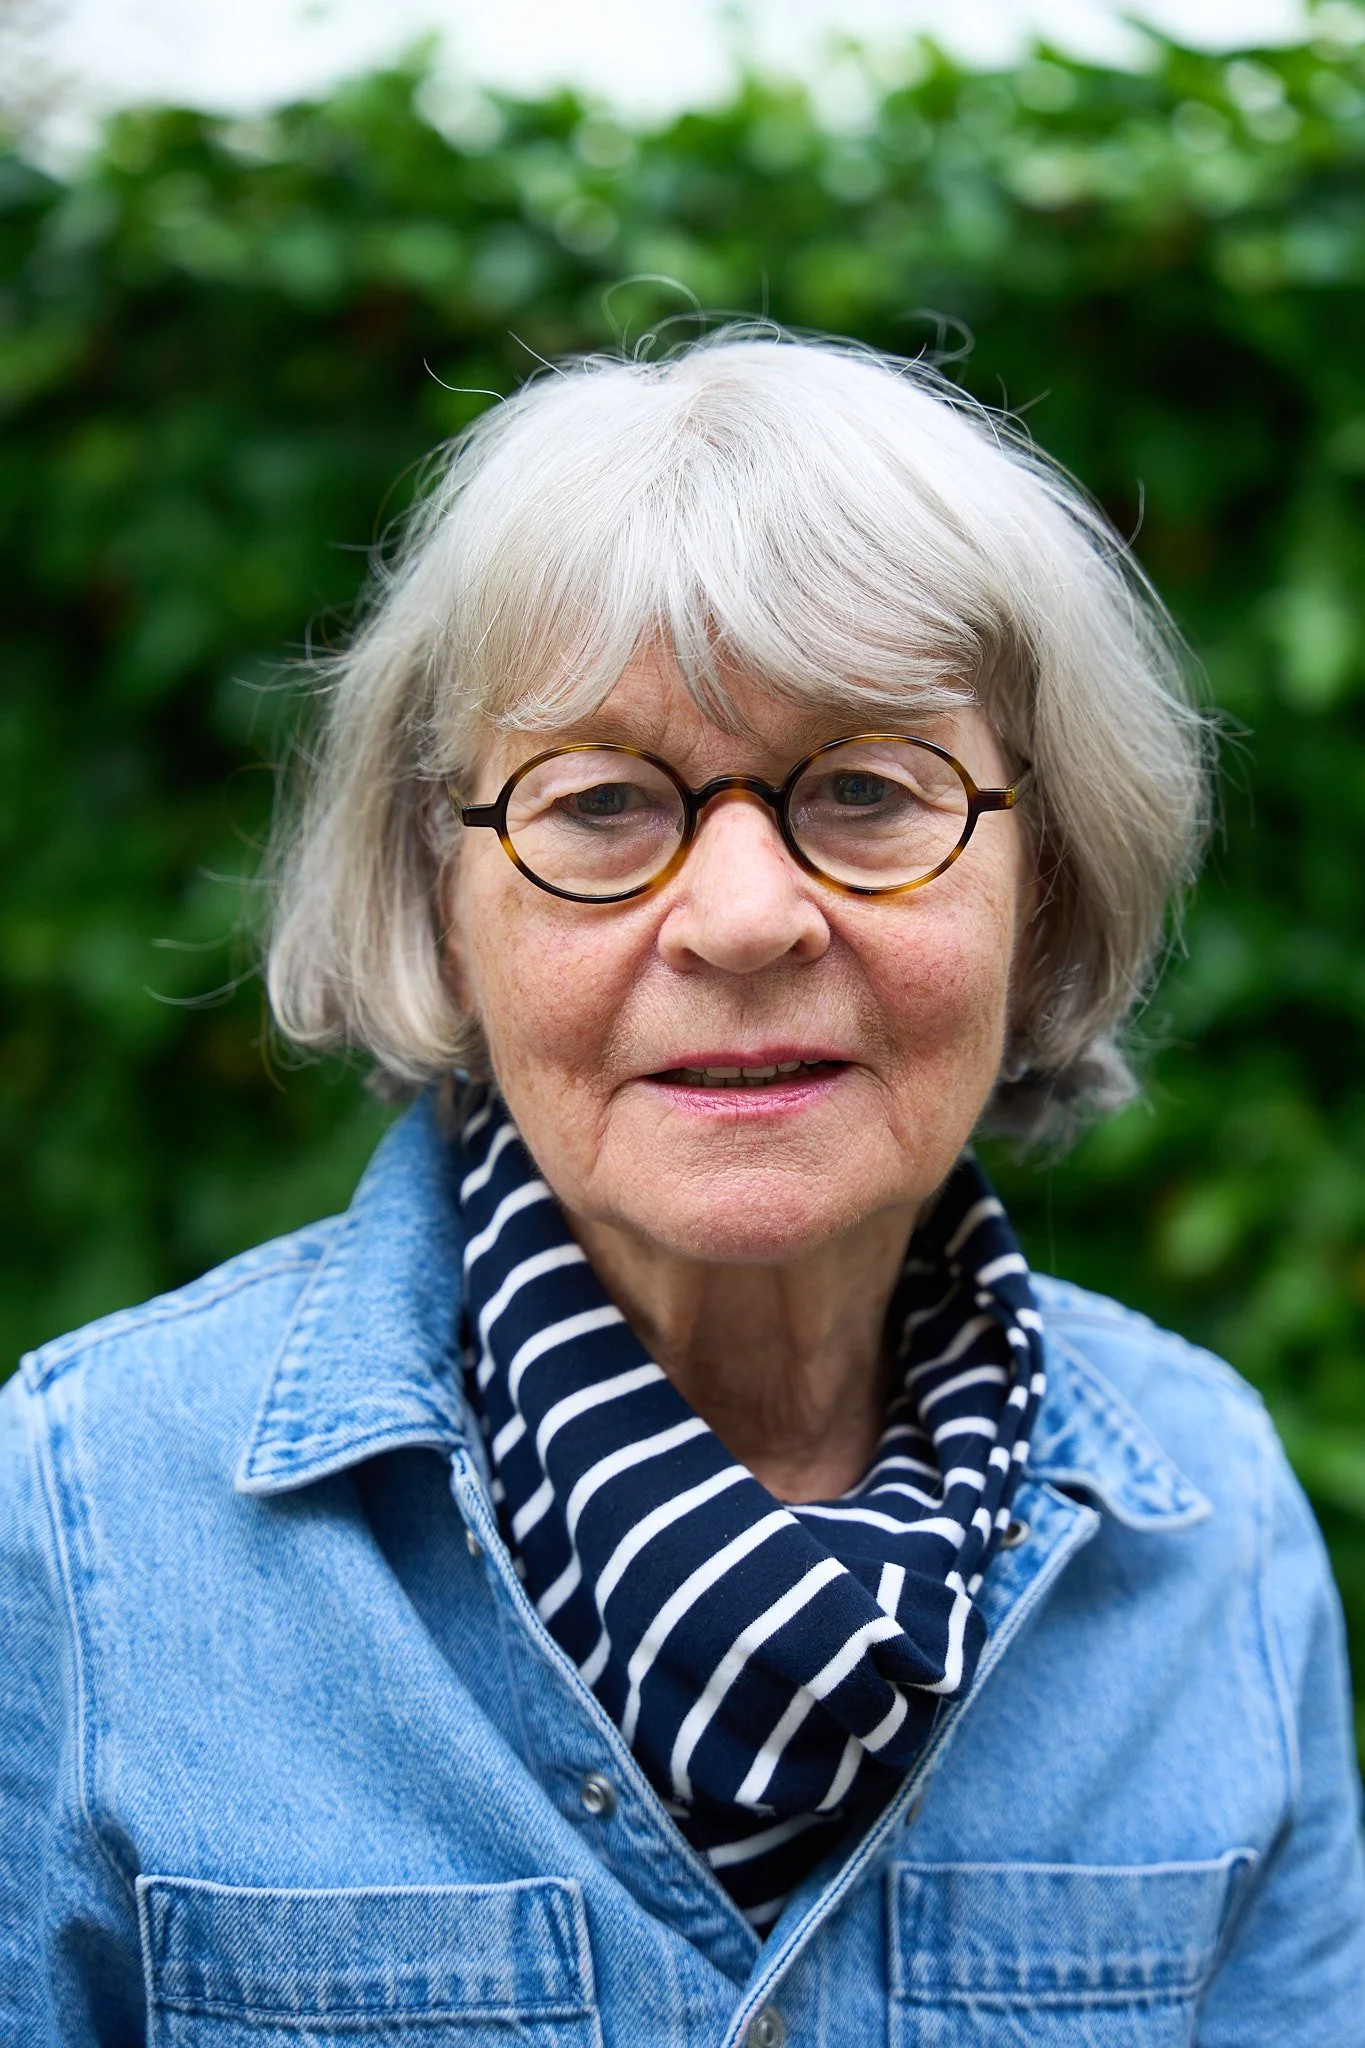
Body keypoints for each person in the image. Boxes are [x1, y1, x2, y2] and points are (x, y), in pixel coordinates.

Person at [2, 330, 1362, 2046]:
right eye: (600, 804)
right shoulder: (84, 1522)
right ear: (444, 901)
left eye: (866, 790)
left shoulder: (1210, 1526)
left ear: (1048, 886)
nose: (741, 918)